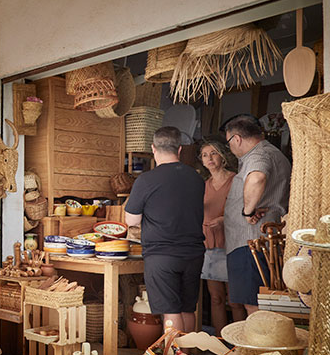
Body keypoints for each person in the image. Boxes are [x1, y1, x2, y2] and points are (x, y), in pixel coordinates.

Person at [125, 127, 205, 333]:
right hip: (193, 253)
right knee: (188, 309)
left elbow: (131, 220)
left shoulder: (146, 180)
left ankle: (175, 354)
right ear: (179, 149)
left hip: (162, 254)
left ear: (153, 148)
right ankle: (188, 352)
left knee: (171, 311)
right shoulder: (196, 178)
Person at [223, 113, 291, 316]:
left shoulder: (258, 155)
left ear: (236, 139)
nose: (230, 148)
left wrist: (248, 211)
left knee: (255, 304)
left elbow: (257, 178)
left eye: (229, 143)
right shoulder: (272, 152)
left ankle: (260, 339)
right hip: (259, 241)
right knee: (261, 302)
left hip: (251, 241)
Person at [199, 139, 237, 334]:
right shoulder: (203, 185)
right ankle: (220, 342)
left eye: (213, 153)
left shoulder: (235, 180)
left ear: (223, 156)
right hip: (209, 244)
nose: (210, 158)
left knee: (235, 299)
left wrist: (223, 219)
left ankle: (239, 343)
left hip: (231, 244)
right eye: (205, 155)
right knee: (216, 298)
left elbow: (244, 209)